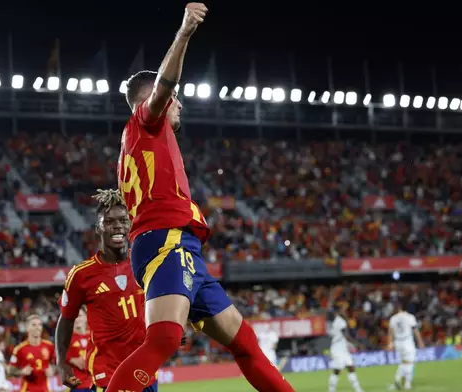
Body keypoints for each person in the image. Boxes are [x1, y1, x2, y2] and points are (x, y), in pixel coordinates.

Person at [106, 3, 295, 392]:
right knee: (163, 340)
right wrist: (185, 33)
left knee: (245, 343)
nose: (179, 104)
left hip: (180, 247)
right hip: (166, 242)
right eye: (174, 99)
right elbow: (163, 87)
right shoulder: (145, 121)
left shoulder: (140, 145)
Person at [55, 190, 157, 392]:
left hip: (146, 371)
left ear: (130, 226)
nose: (117, 226)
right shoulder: (81, 275)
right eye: (109, 221)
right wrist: (61, 361)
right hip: (107, 374)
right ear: (98, 228)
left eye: (122, 220)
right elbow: (66, 319)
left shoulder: (146, 262)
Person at [9, 315, 55, 392]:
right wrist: (21, 372)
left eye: (40, 324)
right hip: (27, 389)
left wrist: (53, 370)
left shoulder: (49, 346)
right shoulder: (19, 349)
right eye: (34, 325)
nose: (37, 327)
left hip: (45, 389)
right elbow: (10, 370)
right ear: (27, 328)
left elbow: (57, 364)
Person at [388, 301, 424, 390]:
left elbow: (390, 332)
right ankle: (407, 384)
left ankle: (397, 380)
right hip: (407, 341)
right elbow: (415, 330)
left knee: (403, 362)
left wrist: (390, 343)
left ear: (399, 308)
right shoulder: (410, 317)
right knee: (409, 362)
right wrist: (420, 342)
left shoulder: (393, 318)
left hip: (397, 342)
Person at [328, 306, 365, 392]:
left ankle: (358, 389)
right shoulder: (340, 321)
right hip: (338, 348)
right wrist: (357, 344)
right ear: (338, 312)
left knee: (351, 367)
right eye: (343, 311)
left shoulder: (338, 321)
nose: (345, 313)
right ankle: (331, 390)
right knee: (337, 370)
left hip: (341, 347)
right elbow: (346, 336)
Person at [65, 310, 93, 392]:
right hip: (77, 386)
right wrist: (71, 359)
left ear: (86, 317)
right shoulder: (65, 339)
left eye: (79, 316)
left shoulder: (93, 336)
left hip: (95, 383)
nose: (77, 319)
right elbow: (56, 357)